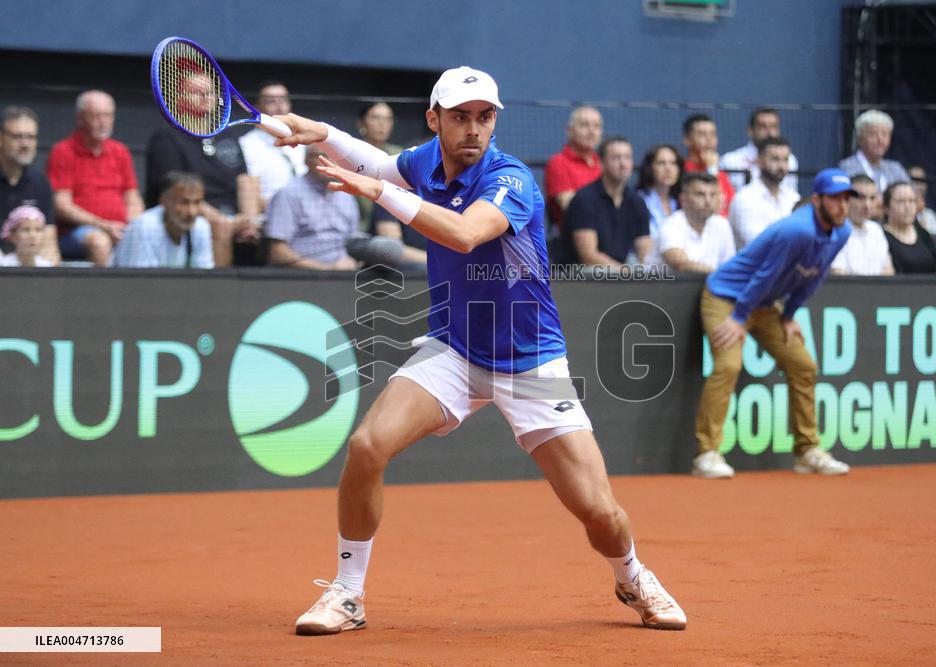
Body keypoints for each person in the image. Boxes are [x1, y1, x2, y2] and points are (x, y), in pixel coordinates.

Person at [271, 65, 686, 634]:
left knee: (598, 512)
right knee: (367, 446)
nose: (473, 128)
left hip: (532, 364)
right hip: (454, 351)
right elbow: (376, 162)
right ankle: (347, 593)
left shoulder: (512, 178)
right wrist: (317, 130)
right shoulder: (423, 162)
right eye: (461, 117)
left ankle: (632, 574)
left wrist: (383, 194)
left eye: (484, 117)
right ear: (434, 120)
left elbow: (464, 233)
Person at [691, 168, 855, 480]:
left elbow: (815, 274)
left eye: (846, 199)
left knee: (803, 364)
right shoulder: (798, 230)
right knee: (728, 365)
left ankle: (808, 451)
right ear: (817, 199)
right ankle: (707, 453)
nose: (842, 206)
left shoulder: (842, 232)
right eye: (835, 199)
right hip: (726, 297)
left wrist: (790, 314)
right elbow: (763, 276)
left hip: (764, 304)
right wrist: (739, 318)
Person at [146, 71, 260, 267]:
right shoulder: (166, 138)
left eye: (209, 92)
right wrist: (224, 222)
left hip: (234, 216)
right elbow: (178, 192)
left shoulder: (227, 135)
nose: (205, 97)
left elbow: (245, 181)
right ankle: (220, 291)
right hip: (192, 216)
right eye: (196, 92)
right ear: (180, 99)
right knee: (218, 227)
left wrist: (249, 220)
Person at [47, 90, 143, 265]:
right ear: (80, 119)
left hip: (120, 228)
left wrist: (131, 225)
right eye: (97, 116)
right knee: (99, 242)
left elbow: (133, 198)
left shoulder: (120, 151)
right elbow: (62, 206)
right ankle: (104, 292)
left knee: (147, 235)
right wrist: (106, 226)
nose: (103, 122)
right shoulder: (63, 151)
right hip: (75, 232)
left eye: (108, 116)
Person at [263, 143, 360, 270]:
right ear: (306, 161)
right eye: (321, 157)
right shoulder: (289, 194)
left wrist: (353, 261)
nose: (328, 162)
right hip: (303, 278)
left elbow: (355, 243)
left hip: (346, 276)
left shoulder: (347, 196)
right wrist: (328, 269)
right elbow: (277, 253)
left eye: (333, 157)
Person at [560, 136, 651, 267]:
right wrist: (625, 274)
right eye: (616, 158)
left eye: (627, 157)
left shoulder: (637, 202)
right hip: (580, 275)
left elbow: (645, 253)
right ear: (601, 164)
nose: (623, 164)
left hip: (620, 272)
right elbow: (589, 257)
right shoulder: (584, 199)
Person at [113, 172, 214, 269]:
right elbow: (140, 281)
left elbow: (204, 276)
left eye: (197, 203)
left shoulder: (201, 227)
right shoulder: (145, 226)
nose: (191, 212)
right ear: (163, 201)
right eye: (184, 203)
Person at [0, 106, 58, 263]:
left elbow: (49, 245)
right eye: (17, 137)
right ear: (1, 139)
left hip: (27, 275)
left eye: (31, 137)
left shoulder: (40, 182)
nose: (25, 144)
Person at [239, 81, 307, 208]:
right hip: (271, 216)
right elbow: (252, 198)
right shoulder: (246, 145)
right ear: (257, 108)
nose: (280, 108)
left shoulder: (304, 140)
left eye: (283, 100)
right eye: (271, 102)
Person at [656, 172, 735, 273]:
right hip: (658, 287)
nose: (708, 201)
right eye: (700, 194)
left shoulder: (722, 224)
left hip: (706, 286)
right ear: (683, 200)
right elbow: (681, 264)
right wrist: (718, 276)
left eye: (713, 194)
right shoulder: (671, 225)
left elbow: (729, 267)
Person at [727, 137, 799, 249]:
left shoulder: (793, 198)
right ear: (759, 161)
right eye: (775, 159)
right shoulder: (744, 198)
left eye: (785, 160)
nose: (781, 166)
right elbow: (757, 244)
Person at [544, 106, 603, 231]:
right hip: (571, 240)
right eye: (584, 125)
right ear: (570, 131)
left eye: (597, 126)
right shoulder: (558, 163)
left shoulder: (603, 163)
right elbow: (571, 206)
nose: (592, 131)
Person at [719, 107, 799, 192]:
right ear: (750, 130)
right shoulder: (729, 161)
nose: (770, 133)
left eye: (774, 127)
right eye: (763, 126)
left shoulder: (791, 161)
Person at [355, 101, 404, 232]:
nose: (382, 124)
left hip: (398, 222)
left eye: (388, 119)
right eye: (376, 118)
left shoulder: (400, 155)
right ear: (361, 123)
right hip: (361, 228)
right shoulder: (350, 153)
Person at [831, 175, 893, 276]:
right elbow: (839, 275)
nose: (867, 205)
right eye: (860, 198)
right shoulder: (834, 230)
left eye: (872, 198)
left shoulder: (876, 230)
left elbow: (888, 271)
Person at [838, 110, 909, 193]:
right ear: (860, 139)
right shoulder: (847, 168)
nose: (880, 140)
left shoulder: (896, 169)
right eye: (873, 134)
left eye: (884, 134)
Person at [636, 143, 684, 265]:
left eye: (673, 163)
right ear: (650, 167)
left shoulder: (683, 201)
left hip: (680, 264)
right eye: (661, 163)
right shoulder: (638, 200)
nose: (668, 168)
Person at [682, 114, 735, 216]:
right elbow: (714, 208)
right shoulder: (682, 171)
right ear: (687, 140)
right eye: (702, 134)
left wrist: (713, 169)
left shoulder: (721, 175)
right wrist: (712, 170)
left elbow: (729, 209)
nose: (709, 139)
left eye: (713, 134)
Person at [882, 182, 936, 275]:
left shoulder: (923, 233)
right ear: (886, 208)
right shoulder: (881, 238)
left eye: (912, 201)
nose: (907, 207)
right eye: (901, 201)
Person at [907, 165, 936, 240]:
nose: (920, 187)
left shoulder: (930, 215)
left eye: (922, 182)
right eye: (915, 182)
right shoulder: (901, 213)